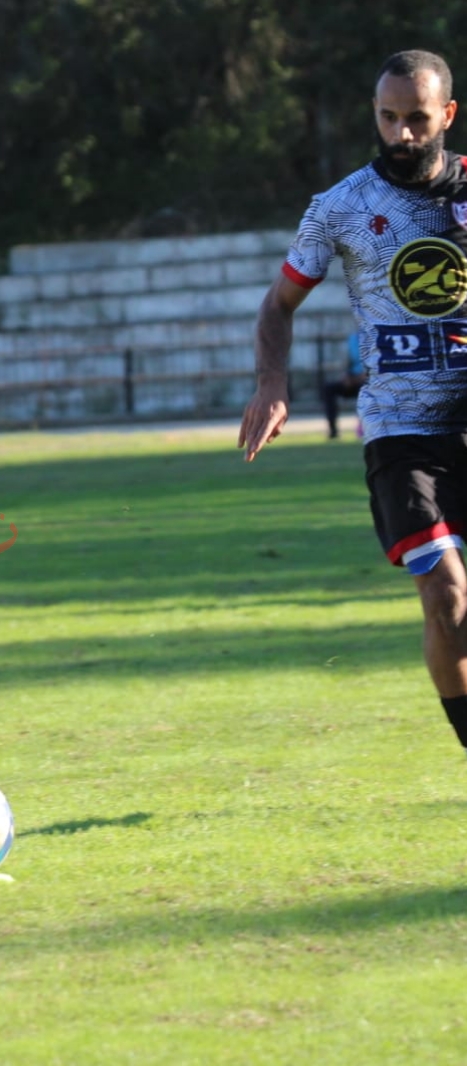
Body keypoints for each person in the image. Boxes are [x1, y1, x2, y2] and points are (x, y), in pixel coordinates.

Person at [240, 50, 467, 758]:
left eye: (415, 120)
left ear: (447, 116)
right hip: (399, 430)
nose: (400, 134)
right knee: (448, 598)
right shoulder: (339, 208)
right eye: (387, 118)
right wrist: (270, 380)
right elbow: (277, 305)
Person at [321, 332, 368, 439]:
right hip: (354, 379)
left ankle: (365, 428)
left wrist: (364, 376)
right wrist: (347, 376)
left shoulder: (376, 336)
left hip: (369, 381)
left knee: (364, 388)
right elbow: (349, 361)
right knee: (329, 389)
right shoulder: (353, 339)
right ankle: (333, 431)